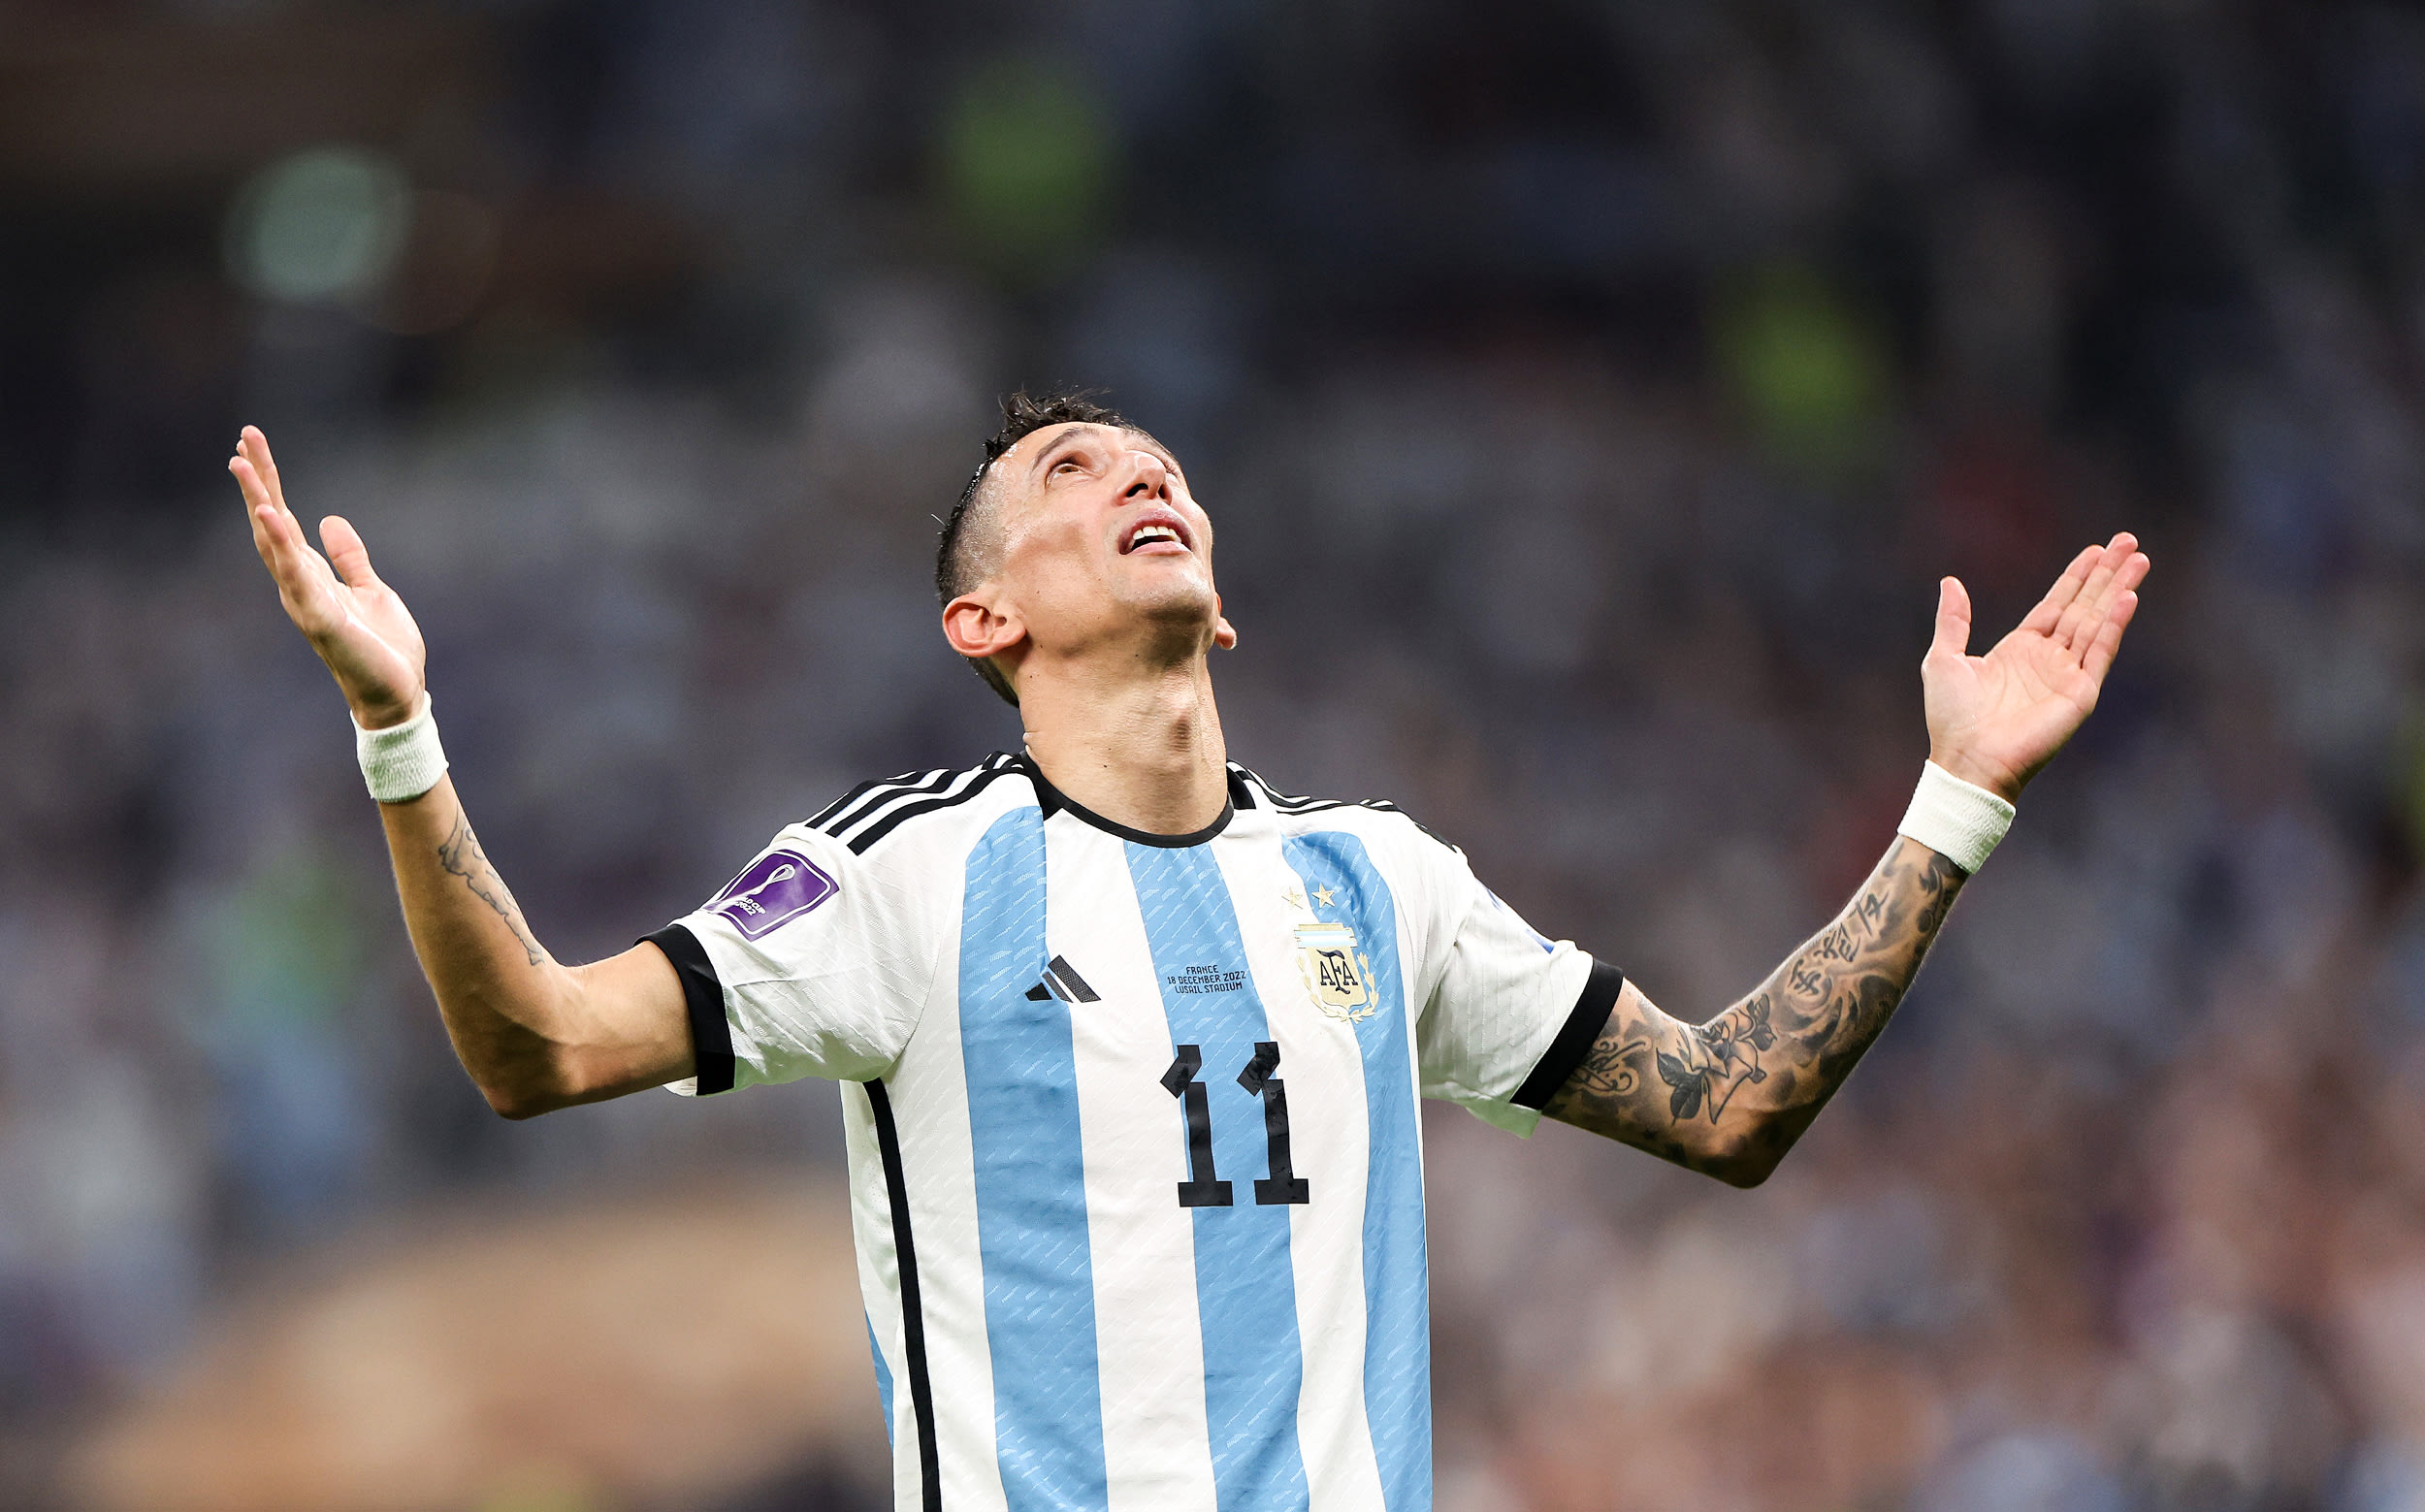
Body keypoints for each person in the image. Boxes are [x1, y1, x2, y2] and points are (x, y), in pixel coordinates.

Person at [229, 390, 2149, 1512]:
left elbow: (1725, 1104)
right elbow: (539, 1046)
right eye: (1067, 473)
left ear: (1218, 602)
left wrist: (1950, 802)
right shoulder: (901, 874)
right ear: (981, 621)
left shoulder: (1375, 884)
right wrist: (400, 730)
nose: (1133, 479)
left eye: (1152, 466)